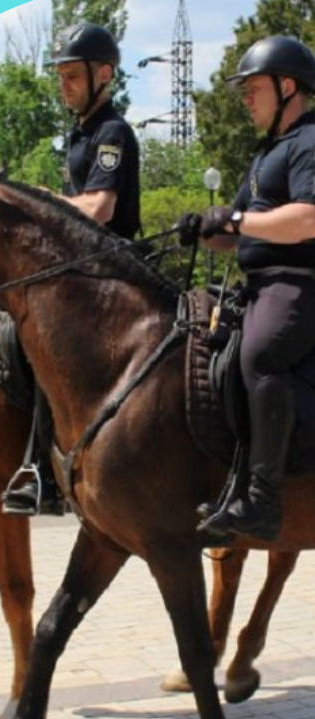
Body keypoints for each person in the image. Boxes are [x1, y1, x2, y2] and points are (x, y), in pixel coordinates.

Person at [177, 36, 315, 542]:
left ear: (287, 86)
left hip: (298, 283)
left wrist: (235, 219)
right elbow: (237, 232)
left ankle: (264, 500)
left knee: (261, 354)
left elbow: (307, 219)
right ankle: (225, 479)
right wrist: (207, 228)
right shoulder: (266, 156)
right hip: (256, 284)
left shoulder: (308, 142)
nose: (244, 98)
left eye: (253, 88)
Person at [3, 21, 142, 516]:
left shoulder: (112, 133)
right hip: (79, 272)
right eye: (59, 75)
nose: (63, 84)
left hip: (113, 272)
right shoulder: (79, 135)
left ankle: (43, 468)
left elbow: (101, 208)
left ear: (103, 74)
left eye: (72, 76)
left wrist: (43, 204)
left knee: (44, 340)